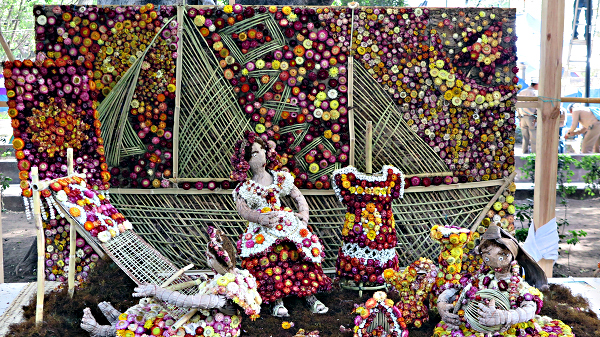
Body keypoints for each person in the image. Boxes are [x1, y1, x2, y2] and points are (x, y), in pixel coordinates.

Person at [230, 131, 331, 317]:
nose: (260, 155)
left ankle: (310, 295)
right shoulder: (245, 187)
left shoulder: (279, 178)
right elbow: (243, 210)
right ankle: (277, 300)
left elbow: (297, 195)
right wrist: (259, 218)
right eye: (253, 153)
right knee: (269, 259)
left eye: (261, 150)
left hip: (287, 224)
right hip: (263, 228)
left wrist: (304, 215)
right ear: (244, 161)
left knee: (301, 254)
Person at [434, 224, 575, 337]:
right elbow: (456, 288)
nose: (488, 258)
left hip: (508, 330)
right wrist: (441, 303)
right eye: (485, 255)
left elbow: (530, 309)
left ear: (508, 256)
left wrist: (504, 317)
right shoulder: (481, 277)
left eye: (498, 255)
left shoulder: (518, 285)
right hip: (474, 326)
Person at [517, 81, 538, 154]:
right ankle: (534, 153)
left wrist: (519, 117)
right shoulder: (535, 93)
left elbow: (517, 105)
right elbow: (537, 106)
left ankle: (524, 152)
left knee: (525, 137)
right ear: (537, 85)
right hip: (531, 117)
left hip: (522, 117)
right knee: (533, 137)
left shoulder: (522, 92)